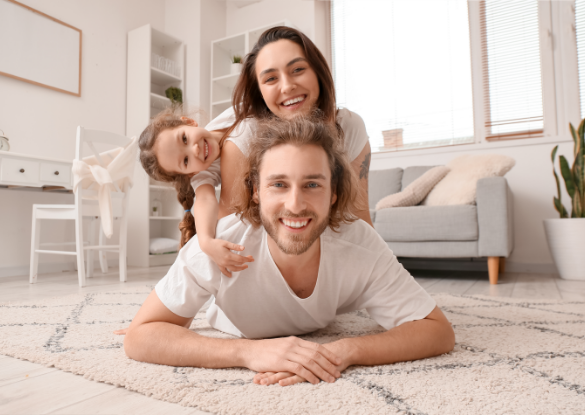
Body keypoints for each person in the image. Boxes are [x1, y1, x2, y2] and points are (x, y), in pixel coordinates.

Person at [123, 115, 455, 387]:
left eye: (312, 184)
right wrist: (247, 353)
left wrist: (344, 351)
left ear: (334, 193)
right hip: (229, 318)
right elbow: (140, 336)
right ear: (255, 191)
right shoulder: (220, 246)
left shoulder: (360, 244)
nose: (295, 205)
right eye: (278, 184)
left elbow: (437, 330)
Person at [145, 26, 372, 277]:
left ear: (189, 122)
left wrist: (375, 271)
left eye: (298, 69)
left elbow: (360, 215)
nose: (196, 150)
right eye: (185, 160)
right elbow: (215, 209)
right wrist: (206, 242)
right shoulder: (239, 138)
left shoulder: (239, 112)